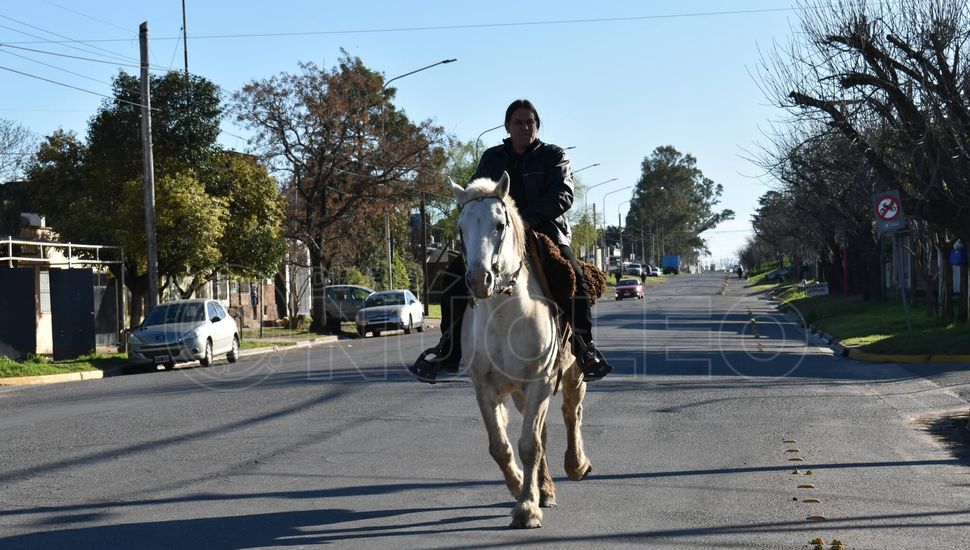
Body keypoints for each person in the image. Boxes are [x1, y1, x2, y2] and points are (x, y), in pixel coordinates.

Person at [409, 99, 614, 383]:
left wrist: (527, 219)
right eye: (518, 121)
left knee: (573, 276)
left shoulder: (554, 155)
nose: (524, 126)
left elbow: (563, 194)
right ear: (507, 126)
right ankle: (448, 349)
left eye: (530, 121)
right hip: (496, 235)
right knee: (453, 278)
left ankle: (584, 347)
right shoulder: (492, 158)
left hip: (544, 230)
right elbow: (475, 194)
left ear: (537, 126)